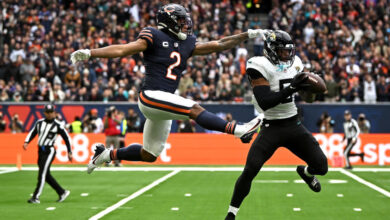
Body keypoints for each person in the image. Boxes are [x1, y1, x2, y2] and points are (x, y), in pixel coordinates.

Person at [71, 3, 264, 173]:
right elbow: (123, 49)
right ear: (168, 21)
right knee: (194, 109)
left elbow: (219, 44)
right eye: (180, 21)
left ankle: (105, 155)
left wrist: (246, 35)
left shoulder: (187, 42)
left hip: (163, 103)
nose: (185, 24)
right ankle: (238, 130)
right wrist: (90, 53)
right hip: (151, 96)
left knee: (150, 154)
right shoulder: (153, 35)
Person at [224, 30, 328, 220]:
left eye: (288, 51)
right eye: (282, 51)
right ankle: (231, 214)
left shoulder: (296, 63)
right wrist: (292, 87)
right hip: (271, 126)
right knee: (250, 170)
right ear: (271, 50)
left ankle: (305, 172)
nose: (287, 55)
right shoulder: (258, 65)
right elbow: (265, 101)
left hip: (293, 123)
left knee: (322, 167)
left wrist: (312, 88)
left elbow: (308, 99)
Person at [23, 104, 73, 204]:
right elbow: (33, 132)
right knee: (45, 175)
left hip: (49, 150)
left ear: (54, 113)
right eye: (48, 112)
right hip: (40, 150)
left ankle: (35, 197)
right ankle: (62, 192)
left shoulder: (58, 125)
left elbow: (66, 138)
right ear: (44, 113)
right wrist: (27, 141)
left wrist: (69, 151)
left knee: (41, 174)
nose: (50, 114)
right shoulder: (39, 123)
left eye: (51, 112)